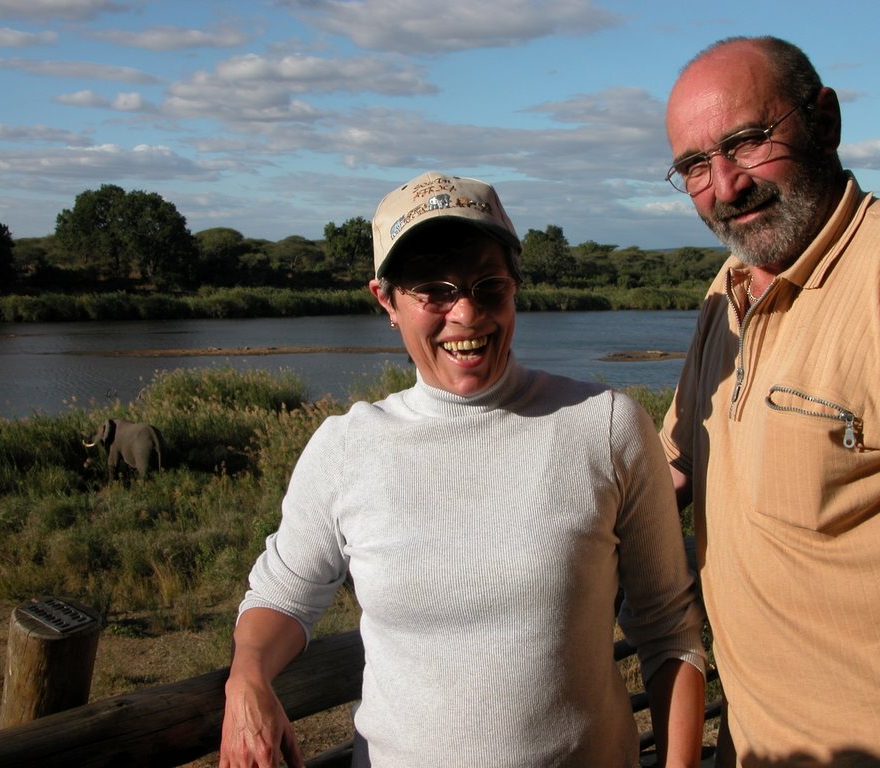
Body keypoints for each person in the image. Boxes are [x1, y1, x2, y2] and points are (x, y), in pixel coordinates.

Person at [219, 171, 707, 768]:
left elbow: (667, 630)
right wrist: (247, 679)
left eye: (488, 286)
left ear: (515, 287)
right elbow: (283, 595)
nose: (467, 313)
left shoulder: (606, 427)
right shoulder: (346, 447)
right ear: (387, 301)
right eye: (434, 290)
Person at [660, 36, 880, 766]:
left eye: (747, 142)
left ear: (823, 121)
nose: (725, 184)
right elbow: (671, 471)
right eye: (695, 166)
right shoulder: (728, 292)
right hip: (758, 748)